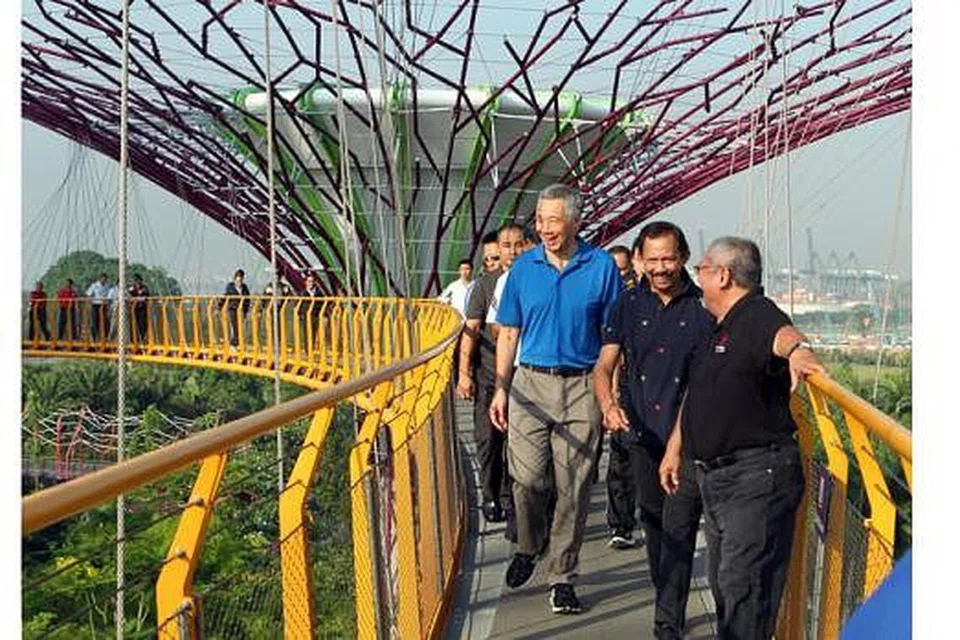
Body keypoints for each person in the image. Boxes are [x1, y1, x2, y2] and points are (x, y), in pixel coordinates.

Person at [660, 236, 825, 640]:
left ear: (723, 275)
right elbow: (698, 395)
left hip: (755, 477)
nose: (694, 276)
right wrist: (675, 447)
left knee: (744, 588)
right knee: (728, 586)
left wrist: (799, 350)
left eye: (700, 268)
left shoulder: (754, 313)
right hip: (717, 477)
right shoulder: (720, 327)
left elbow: (781, 334)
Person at [489, 183, 621, 615]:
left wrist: (607, 393)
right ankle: (529, 545)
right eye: (539, 220)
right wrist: (500, 389)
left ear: (575, 221)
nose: (544, 228)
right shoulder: (523, 269)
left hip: (582, 385)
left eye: (552, 219)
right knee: (528, 479)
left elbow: (612, 337)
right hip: (530, 383)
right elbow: (508, 332)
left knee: (575, 488)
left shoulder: (601, 266)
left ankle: (562, 575)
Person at [594, 222, 712, 639]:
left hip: (688, 439)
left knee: (679, 525)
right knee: (653, 520)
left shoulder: (704, 309)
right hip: (642, 434)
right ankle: (666, 594)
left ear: (682, 258)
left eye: (669, 258)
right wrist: (608, 404)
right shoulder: (627, 305)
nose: (661, 268)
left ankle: (668, 623)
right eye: (653, 259)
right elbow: (604, 365)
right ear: (640, 260)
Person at [458, 223, 525, 527]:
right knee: (488, 440)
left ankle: (511, 500)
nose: (510, 251)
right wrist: (463, 374)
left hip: (524, 377)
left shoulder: (535, 279)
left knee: (517, 442)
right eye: (505, 245)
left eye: (517, 244)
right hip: (488, 374)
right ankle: (490, 494)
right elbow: (471, 330)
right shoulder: (484, 286)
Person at [222, 269, 251, 348]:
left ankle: (238, 343)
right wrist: (220, 306)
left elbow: (247, 299)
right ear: (235, 279)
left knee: (240, 327)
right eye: (238, 280)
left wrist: (246, 309)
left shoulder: (244, 288)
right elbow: (225, 297)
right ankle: (233, 344)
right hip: (233, 309)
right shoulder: (230, 287)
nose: (239, 282)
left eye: (241, 280)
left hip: (241, 310)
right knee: (234, 327)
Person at [298, 271, 323, 350]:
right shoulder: (302, 293)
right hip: (306, 316)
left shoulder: (319, 293)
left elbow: (322, 304)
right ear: (306, 282)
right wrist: (300, 315)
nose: (310, 283)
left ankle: (313, 348)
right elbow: (299, 305)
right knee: (307, 333)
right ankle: (308, 350)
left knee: (314, 333)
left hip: (315, 315)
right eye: (309, 281)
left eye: (312, 281)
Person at [86, 272, 111, 341]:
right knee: (95, 322)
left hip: (104, 305)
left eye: (105, 279)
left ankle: (104, 337)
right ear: (100, 278)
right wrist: (89, 304)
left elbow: (108, 296)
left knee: (105, 321)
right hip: (95, 305)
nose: (104, 280)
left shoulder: (107, 286)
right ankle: (94, 337)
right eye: (103, 278)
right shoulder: (94, 285)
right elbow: (89, 294)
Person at [128, 273, 150, 343]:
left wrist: (140, 298)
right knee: (134, 324)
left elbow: (147, 296)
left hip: (142, 308)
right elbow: (130, 296)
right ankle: (133, 339)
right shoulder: (132, 288)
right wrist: (137, 298)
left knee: (143, 324)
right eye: (134, 280)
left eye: (137, 280)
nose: (136, 282)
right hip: (134, 308)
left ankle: (141, 338)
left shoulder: (144, 288)